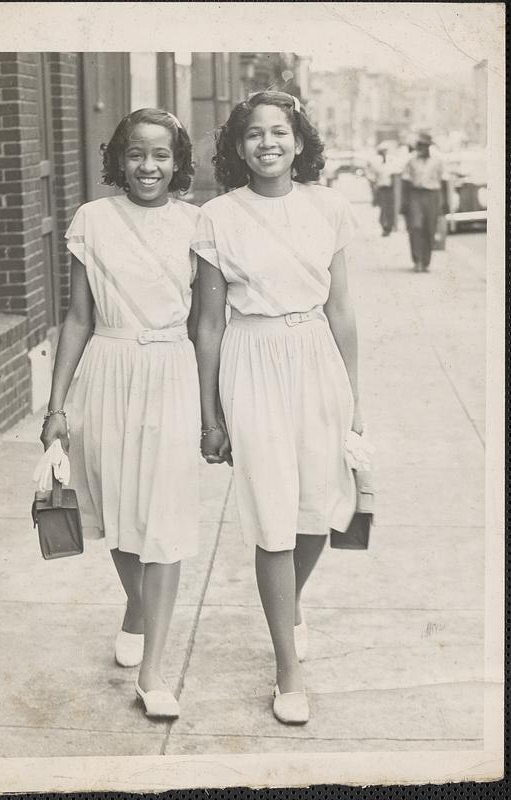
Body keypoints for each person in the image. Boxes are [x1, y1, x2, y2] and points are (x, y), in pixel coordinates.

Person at [192, 91, 364, 725]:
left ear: (298, 142)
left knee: (319, 512)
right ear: (238, 149)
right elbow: (208, 324)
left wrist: (354, 400)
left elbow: (342, 308)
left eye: (279, 132)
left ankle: (290, 604)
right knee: (272, 516)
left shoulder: (329, 207)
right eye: (254, 135)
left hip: (315, 354)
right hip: (252, 356)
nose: (268, 143)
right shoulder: (216, 216)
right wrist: (210, 415)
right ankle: (287, 668)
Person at [40, 108, 201, 720]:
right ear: (119, 159)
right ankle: (137, 606)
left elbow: (205, 323)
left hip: (169, 372)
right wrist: (56, 405)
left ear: (178, 161)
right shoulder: (92, 219)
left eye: (161, 155)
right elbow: (78, 317)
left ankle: (155, 672)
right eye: (136, 153)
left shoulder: (196, 224)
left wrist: (212, 410)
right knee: (114, 509)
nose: (148, 166)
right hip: (106, 371)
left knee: (163, 517)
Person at [401, 131, 449, 272]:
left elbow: (444, 182)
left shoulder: (438, 161)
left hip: (432, 196)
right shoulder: (411, 161)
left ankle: (426, 261)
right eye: (419, 145)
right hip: (415, 195)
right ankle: (417, 260)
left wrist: (445, 202)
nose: (421, 148)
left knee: (429, 228)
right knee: (415, 227)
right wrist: (404, 202)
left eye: (424, 145)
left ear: (429, 146)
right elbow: (405, 181)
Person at [371, 144, 395, 236]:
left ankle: (388, 226)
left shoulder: (391, 162)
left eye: (385, 151)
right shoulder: (376, 163)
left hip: (390, 189)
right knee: (383, 209)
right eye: (382, 152)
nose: (384, 154)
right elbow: (373, 177)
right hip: (381, 189)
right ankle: (384, 226)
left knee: (389, 208)